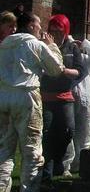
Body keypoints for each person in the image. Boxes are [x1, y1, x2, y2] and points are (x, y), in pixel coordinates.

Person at [0, 12, 64, 192]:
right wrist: (52, 46)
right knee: (32, 151)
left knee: (4, 150)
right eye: (38, 25)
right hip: (27, 97)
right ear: (30, 26)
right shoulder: (35, 44)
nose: (41, 29)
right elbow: (57, 69)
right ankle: (29, 189)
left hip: (3, 97)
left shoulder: (4, 44)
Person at [40, 14, 87, 182]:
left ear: (66, 31)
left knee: (68, 131)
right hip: (46, 97)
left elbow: (80, 71)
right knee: (47, 135)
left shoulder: (72, 47)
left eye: (59, 31)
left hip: (65, 96)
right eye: (53, 31)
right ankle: (46, 175)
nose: (56, 34)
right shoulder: (43, 46)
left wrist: (64, 71)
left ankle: (58, 160)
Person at [62, 36, 90, 174]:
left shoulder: (85, 60)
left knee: (84, 132)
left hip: (84, 100)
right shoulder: (64, 58)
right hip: (69, 98)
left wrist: (85, 43)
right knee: (69, 131)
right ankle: (66, 165)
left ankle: (81, 163)